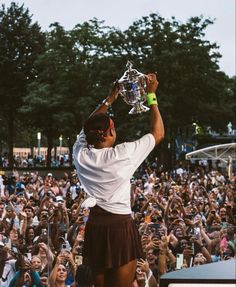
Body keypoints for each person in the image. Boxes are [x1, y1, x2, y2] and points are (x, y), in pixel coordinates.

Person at [73, 73, 164, 287]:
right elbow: (158, 133)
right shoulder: (122, 154)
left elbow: (88, 126)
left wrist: (109, 98)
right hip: (120, 227)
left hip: (95, 225)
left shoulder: (79, 153)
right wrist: (151, 95)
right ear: (107, 134)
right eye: (113, 128)